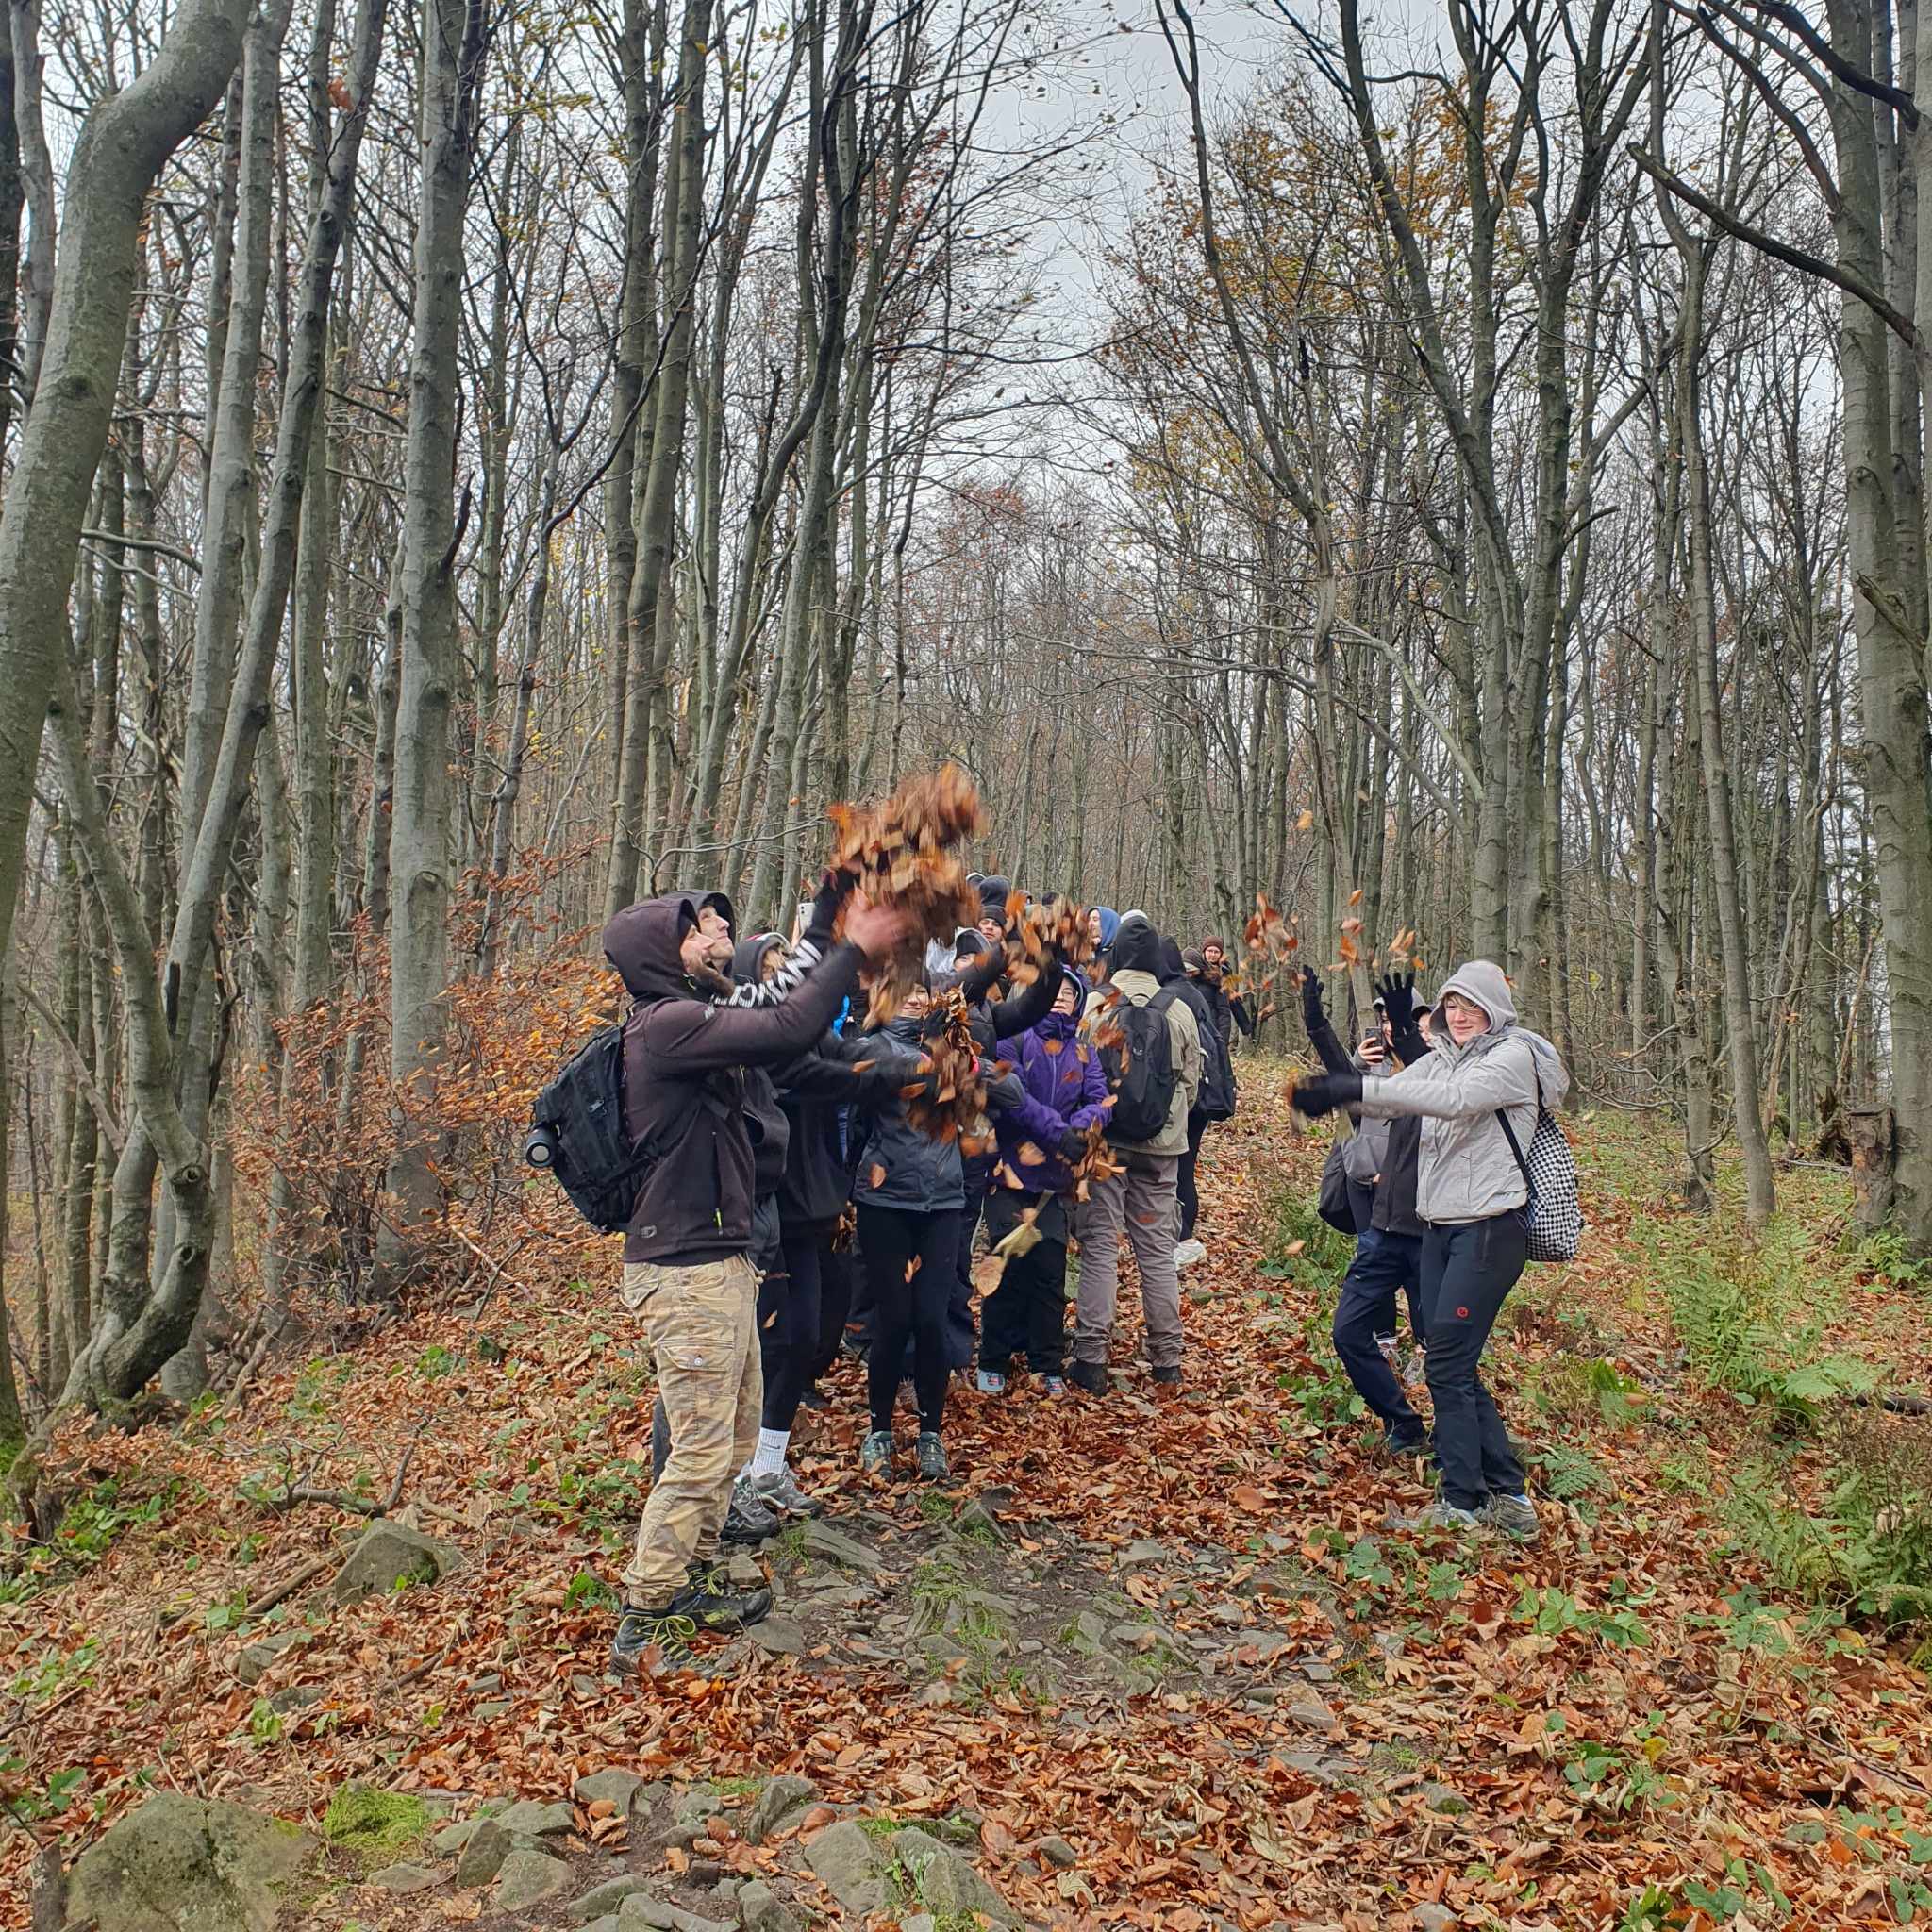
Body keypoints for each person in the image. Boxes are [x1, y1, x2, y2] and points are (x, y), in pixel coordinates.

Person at [600, 882, 908, 1674]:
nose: (717, 935)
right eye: (697, 929)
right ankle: (644, 1614)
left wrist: (899, 1067)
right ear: (656, 955)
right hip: (684, 1270)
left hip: (722, 1258)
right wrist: (850, 946)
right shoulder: (666, 1027)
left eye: (714, 924)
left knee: (733, 1433)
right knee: (701, 1449)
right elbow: (790, 1020)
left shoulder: (707, 1017)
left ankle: (694, 1574)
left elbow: (800, 1047)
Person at [1293, 961, 1569, 1541]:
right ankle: (1510, 1498)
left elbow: (1452, 1098)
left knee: (1445, 1361)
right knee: (1453, 1361)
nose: (1460, 1014)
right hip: (1439, 1227)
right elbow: (1406, 1095)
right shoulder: (1444, 1056)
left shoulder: (1514, 1057)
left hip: (1491, 1230)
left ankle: (1463, 1500)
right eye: (1451, 1005)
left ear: (1495, 1007)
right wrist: (1345, 1089)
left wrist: (1358, 1086)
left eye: (1471, 1004)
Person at [1069, 915, 1202, 1393]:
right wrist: (1166, 1128)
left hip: (1107, 1146)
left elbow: (1080, 1073)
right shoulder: (1181, 1009)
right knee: (1157, 1253)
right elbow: (1189, 1083)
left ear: (1117, 955)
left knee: (1101, 1246)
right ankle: (1167, 1360)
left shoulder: (1098, 1004)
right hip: (1162, 1153)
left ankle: (1090, 1359)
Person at [1301, 966, 1429, 1457]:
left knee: (1428, 1308)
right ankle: (1400, 1404)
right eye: (1382, 1020)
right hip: (1372, 1205)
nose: (1388, 1029)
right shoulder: (1364, 1073)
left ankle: (1427, 1364)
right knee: (1358, 1318)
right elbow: (1336, 1070)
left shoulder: (1432, 1075)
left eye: (1397, 1019)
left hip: (1421, 1215)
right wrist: (1315, 1017)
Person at [977, 967, 1110, 1393]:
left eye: (1068, 993)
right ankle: (994, 1357)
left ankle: (1047, 1361)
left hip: (1056, 1183)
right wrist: (1058, 1133)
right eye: (1051, 992)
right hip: (1009, 1174)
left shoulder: (1085, 1052)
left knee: (1050, 1273)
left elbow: (1100, 1099)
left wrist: (1080, 1131)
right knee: (1005, 1267)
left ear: (1078, 1001)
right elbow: (1012, 1097)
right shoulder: (1013, 1040)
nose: (1059, 999)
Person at [1158, 938, 1223, 1271]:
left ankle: (1182, 1239)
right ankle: (1181, 1236)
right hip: (1200, 1096)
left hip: (1189, 1097)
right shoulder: (1192, 992)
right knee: (1186, 1166)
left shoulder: (1173, 997)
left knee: (1180, 1169)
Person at [1195, 937, 1256, 1050]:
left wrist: (1246, 1026)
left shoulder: (1225, 973)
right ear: (1204, 952)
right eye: (1210, 951)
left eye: (1216, 952)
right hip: (1199, 1024)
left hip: (1219, 1024)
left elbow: (1232, 1001)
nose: (1213, 954)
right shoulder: (1195, 972)